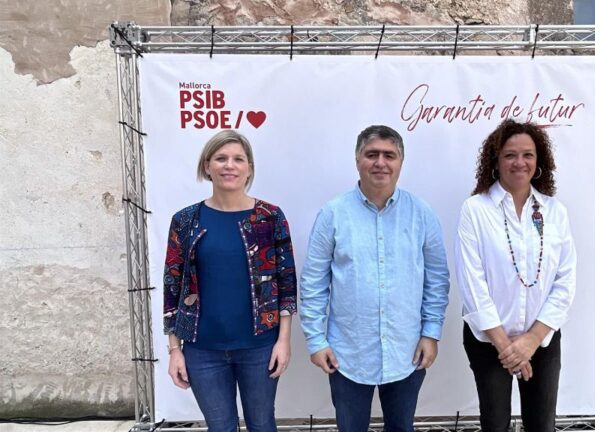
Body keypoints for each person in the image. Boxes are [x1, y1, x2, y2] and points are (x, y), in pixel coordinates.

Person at [300, 125, 450, 432]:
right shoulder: (333, 213)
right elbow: (313, 282)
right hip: (348, 354)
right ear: (357, 160)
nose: (380, 162)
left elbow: (437, 279)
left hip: (407, 350)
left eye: (389, 155)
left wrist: (431, 332)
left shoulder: (421, 213)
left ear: (400, 162)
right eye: (372, 154)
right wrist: (316, 341)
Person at [163, 130, 297, 432]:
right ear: (207, 165)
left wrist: (284, 340)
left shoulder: (270, 217)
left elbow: (286, 284)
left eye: (238, 159)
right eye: (221, 158)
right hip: (202, 349)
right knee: (220, 427)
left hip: (260, 346)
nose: (229, 165)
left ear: (249, 167)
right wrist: (175, 350)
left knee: (262, 425)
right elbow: (173, 286)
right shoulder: (185, 221)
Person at [455, 120, 576, 432]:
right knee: (495, 425)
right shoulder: (475, 210)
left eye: (528, 155)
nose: (519, 162)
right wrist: (507, 347)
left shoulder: (554, 211)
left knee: (542, 425)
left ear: (539, 162)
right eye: (510, 155)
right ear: (496, 161)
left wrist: (532, 340)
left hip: (543, 340)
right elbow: (472, 283)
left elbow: (565, 281)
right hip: (488, 339)